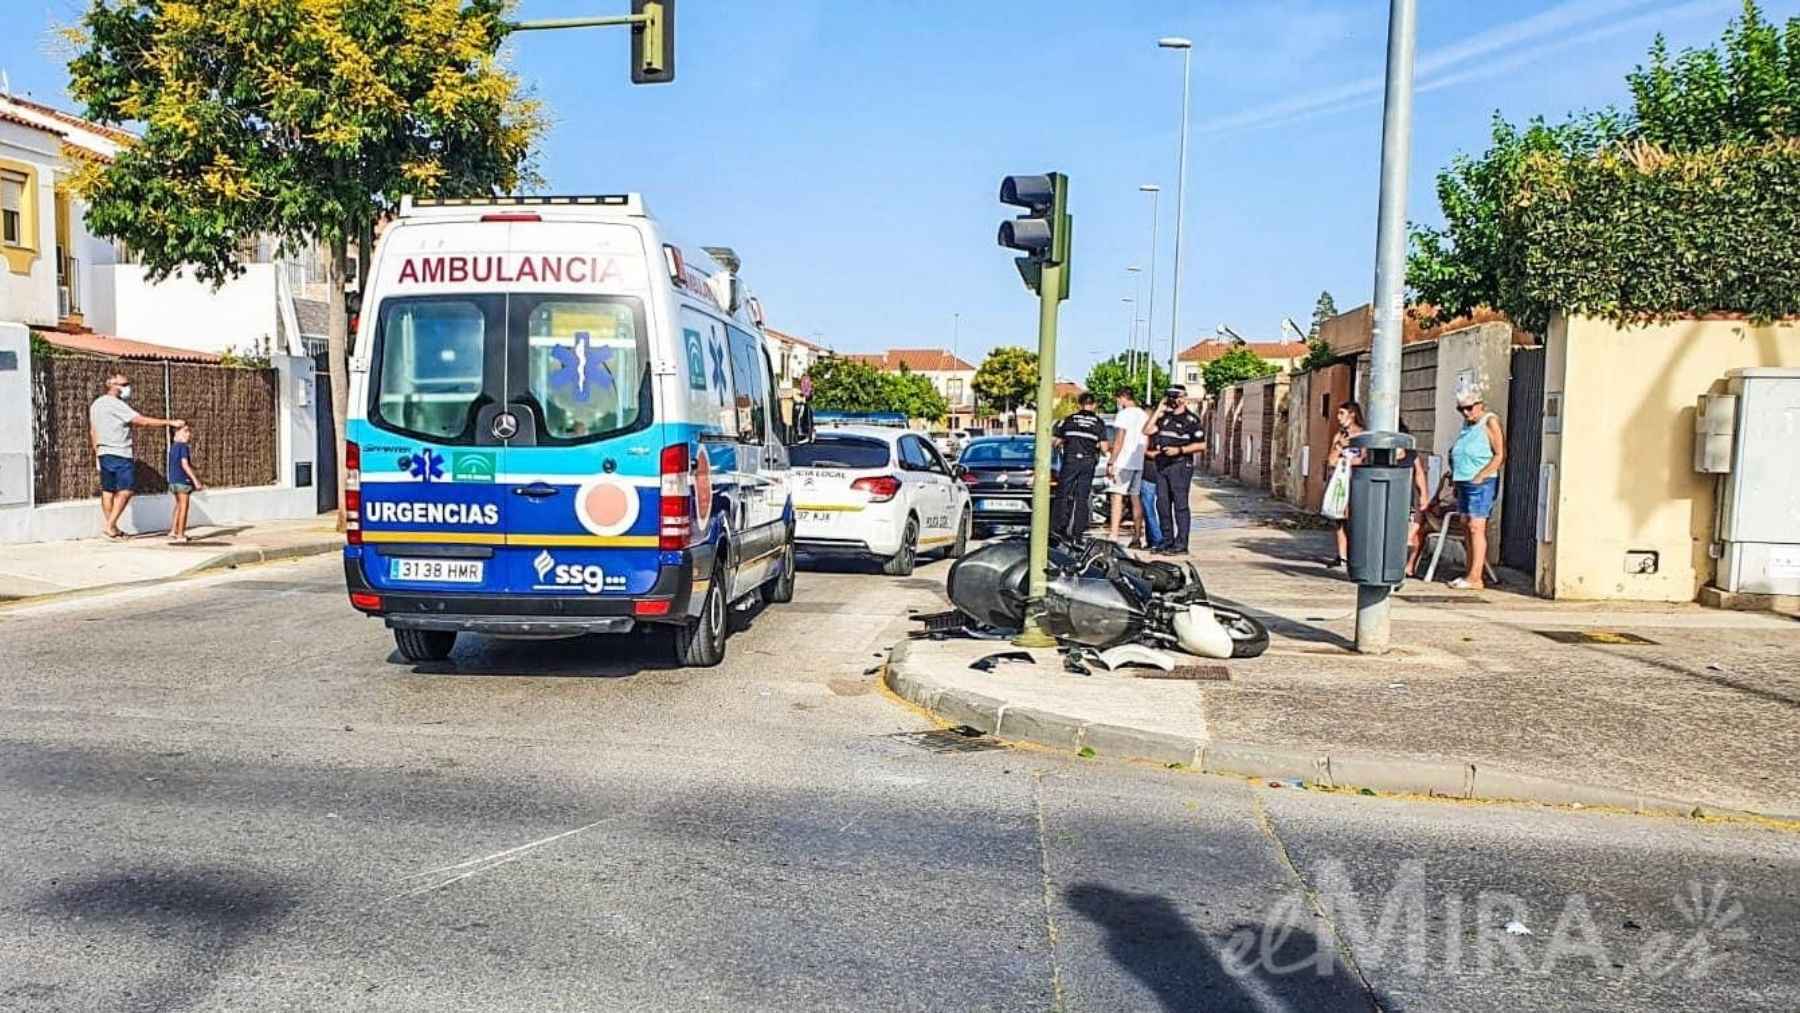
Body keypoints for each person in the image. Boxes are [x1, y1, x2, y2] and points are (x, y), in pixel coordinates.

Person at [89, 371, 185, 540]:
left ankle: (112, 529)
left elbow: (93, 431)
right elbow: (142, 421)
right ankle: (109, 526)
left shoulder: (96, 404)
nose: (127, 388)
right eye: (124, 385)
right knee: (126, 490)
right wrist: (170, 422)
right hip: (120, 452)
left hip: (104, 453)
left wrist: (97, 453)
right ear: (111, 384)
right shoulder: (116, 405)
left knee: (108, 490)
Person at [1442, 391, 1506, 589]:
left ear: (1480, 405)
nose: (1466, 413)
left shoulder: (1489, 421)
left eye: (1469, 408)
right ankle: (1469, 572)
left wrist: (1482, 475)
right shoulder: (1467, 425)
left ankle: (1476, 578)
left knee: (1476, 526)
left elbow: (1500, 454)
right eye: (1461, 409)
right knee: (1466, 525)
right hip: (1463, 480)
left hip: (1480, 482)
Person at [1143, 385, 1205, 555]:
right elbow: (1147, 430)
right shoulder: (1165, 418)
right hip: (1162, 465)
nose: (1173, 400)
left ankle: (1181, 544)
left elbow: (1201, 445)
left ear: (1184, 398)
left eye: (1176, 396)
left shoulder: (1191, 420)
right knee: (1162, 504)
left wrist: (1180, 450)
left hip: (1180, 464)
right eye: (1171, 396)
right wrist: (1159, 408)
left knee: (1180, 505)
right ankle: (1167, 540)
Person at [1051, 391, 1109, 541]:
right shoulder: (1098, 422)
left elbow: (1055, 442)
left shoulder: (1068, 420)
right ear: (1094, 405)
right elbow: (1104, 447)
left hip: (1070, 460)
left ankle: (1059, 528)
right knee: (1082, 497)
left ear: (1079, 404)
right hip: (1088, 462)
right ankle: (1078, 532)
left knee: (1063, 494)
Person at [1322, 401, 1367, 568]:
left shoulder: (1362, 436)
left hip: (1356, 480)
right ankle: (1342, 556)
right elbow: (1332, 460)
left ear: (1352, 414)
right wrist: (1340, 447)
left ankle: (1355, 553)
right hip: (1341, 480)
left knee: (1352, 518)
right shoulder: (1339, 436)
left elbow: (1363, 459)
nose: (1338, 418)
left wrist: (1348, 461)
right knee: (1339, 518)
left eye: (1342, 413)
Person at [1105, 388, 1150, 545]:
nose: (1118, 403)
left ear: (1124, 397)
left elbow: (1119, 439)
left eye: (1118, 399)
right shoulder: (1144, 415)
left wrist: (1112, 460)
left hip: (1124, 462)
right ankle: (1137, 536)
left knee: (1116, 497)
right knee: (1135, 498)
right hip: (1138, 461)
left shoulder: (1124, 415)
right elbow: (1146, 439)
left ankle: (1114, 535)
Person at [167, 423, 206, 543]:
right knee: (184, 507)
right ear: (177, 434)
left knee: (178, 505)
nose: (188, 434)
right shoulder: (183, 446)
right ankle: (180, 534)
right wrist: (196, 481)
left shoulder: (173, 447)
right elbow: (185, 464)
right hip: (183, 481)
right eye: (185, 431)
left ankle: (173, 530)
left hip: (173, 481)